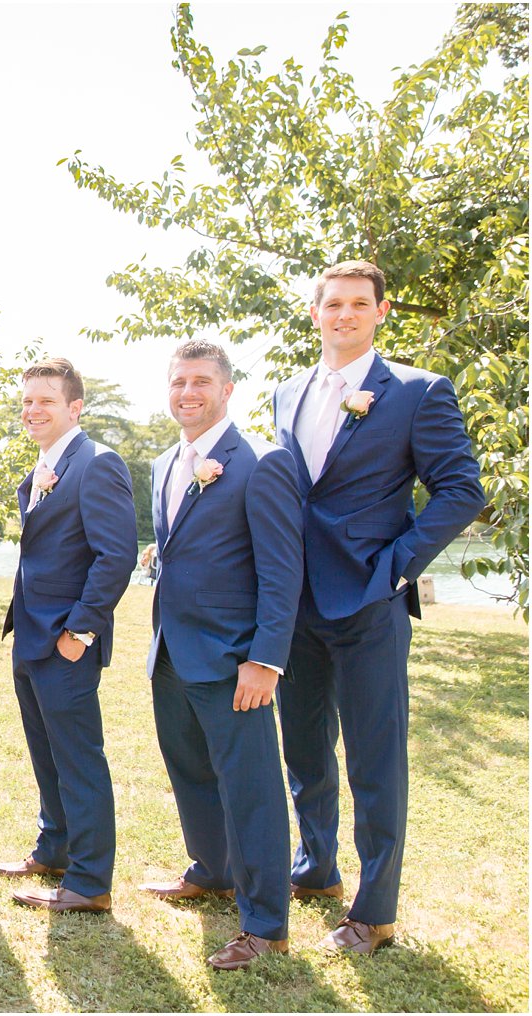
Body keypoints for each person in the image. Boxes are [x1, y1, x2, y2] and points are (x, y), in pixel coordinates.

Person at [272, 260, 485, 954]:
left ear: (382, 312)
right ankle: (316, 868)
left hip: (368, 604)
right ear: (315, 313)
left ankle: (375, 911)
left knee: (374, 759)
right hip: (294, 604)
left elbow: (460, 490)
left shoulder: (419, 392)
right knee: (304, 749)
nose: (344, 314)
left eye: (359, 304)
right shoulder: (287, 393)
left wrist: (397, 568)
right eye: (332, 303)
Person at [142, 340, 302, 971]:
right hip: (171, 652)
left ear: (227, 389)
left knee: (252, 788)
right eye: (179, 381)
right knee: (190, 770)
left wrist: (265, 659)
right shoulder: (163, 463)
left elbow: (282, 571)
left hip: (235, 658)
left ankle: (266, 924)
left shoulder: (260, 462)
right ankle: (212, 871)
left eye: (201, 382)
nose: (188, 392)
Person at [0, 357, 137, 913]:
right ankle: (53, 849)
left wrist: (78, 631)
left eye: (45, 401)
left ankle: (88, 880)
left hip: (65, 642)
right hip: (30, 637)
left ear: (74, 407)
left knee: (78, 758)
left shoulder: (97, 464)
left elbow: (116, 556)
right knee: (46, 754)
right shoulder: (43, 467)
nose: (32, 411)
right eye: (27, 401)